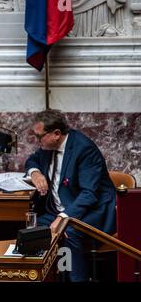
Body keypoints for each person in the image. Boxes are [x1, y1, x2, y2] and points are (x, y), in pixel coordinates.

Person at [25, 109, 116, 282]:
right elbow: (32, 160)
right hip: (58, 208)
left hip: (92, 209)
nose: (37, 142)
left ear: (56, 134)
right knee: (33, 230)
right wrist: (35, 173)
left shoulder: (84, 149)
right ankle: (49, 276)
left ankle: (76, 279)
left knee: (69, 231)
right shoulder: (47, 146)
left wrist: (64, 217)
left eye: (39, 137)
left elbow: (89, 194)